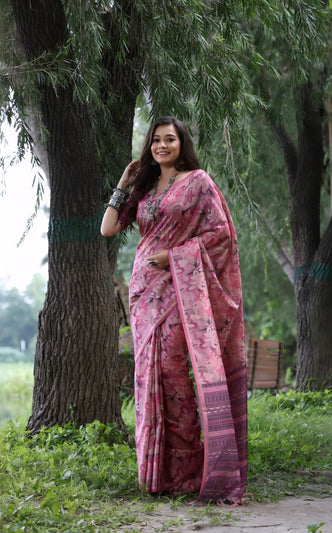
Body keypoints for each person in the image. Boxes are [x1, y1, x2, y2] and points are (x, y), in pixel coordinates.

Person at [101, 116, 247, 503]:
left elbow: (221, 235)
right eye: (156, 141)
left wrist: (176, 256)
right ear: (149, 146)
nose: (162, 146)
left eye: (170, 139)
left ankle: (188, 474)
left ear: (182, 143)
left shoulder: (198, 182)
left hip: (181, 289)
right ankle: (156, 475)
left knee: (174, 375)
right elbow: (108, 228)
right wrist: (122, 184)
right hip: (144, 293)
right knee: (148, 378)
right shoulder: (145, 188)